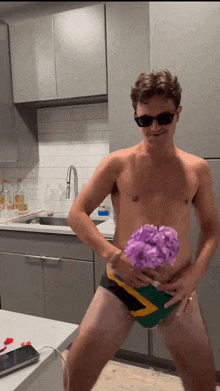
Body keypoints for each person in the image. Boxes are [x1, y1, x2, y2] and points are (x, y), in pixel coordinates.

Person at [64, 69, 220, 391]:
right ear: (135, 115)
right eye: (144, 120)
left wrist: (195, 274)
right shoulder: (118, 164)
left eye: (164, 118)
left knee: (203, 383)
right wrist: (112, 255)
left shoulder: (197, 169)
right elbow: (77, 214)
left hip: (173, 290)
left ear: (178, 113)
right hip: (121, 284)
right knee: (75, 372)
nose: (154, 128)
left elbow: (211, 227)